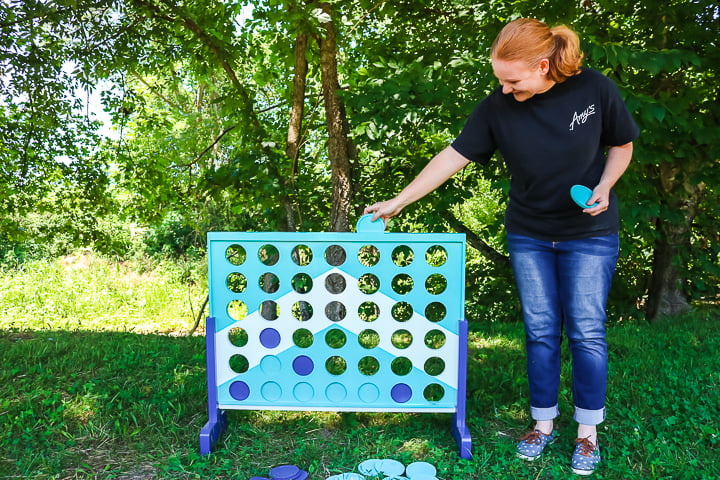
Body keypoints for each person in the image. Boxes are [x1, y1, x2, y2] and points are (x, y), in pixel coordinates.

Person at [364, 18, 639, 476]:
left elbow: (622, 144)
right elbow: (453, 156)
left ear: (544, 65)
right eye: (499, 79)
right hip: (529, 232)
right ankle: (542, 424)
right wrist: (399, 200)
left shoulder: (595, 89)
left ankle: (587, 433)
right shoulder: (498, 105)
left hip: (589, 234)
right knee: (540, 330)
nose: (505, 89)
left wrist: (607, 185)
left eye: (512, 80)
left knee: (587, 332)